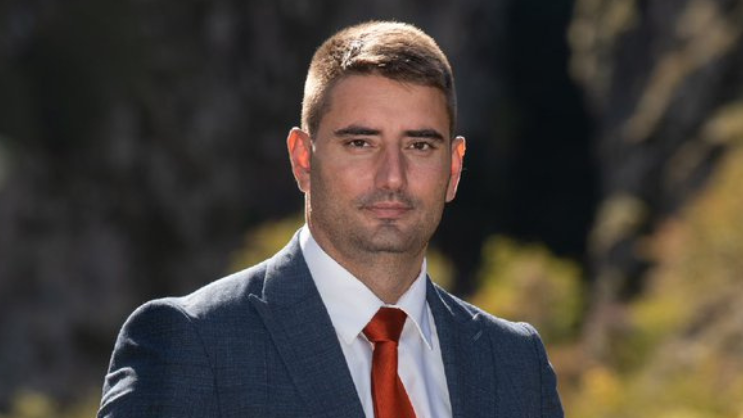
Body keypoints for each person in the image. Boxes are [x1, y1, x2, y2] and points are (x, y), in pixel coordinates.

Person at [97, 21, 563, 418]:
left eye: (420, 145)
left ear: (454, 168)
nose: (393, 176)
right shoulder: (192, 345)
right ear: (303, 159)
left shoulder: (515, 364)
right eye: (361, 143)